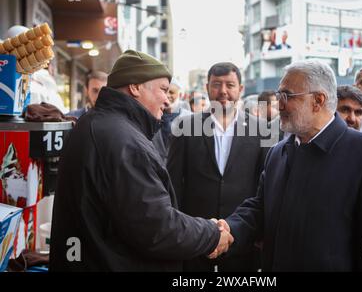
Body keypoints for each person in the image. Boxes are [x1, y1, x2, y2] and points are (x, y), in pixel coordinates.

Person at [49, 50, 233, 271]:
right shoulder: (124, 141)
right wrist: (211, 233)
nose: (167, 100)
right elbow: (157, 228)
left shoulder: (98, 124)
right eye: (163, 90)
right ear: (135, 87)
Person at [214, 60, 362, 271]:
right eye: (278, 96)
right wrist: (228, 229)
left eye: (287, 96)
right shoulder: (278, 153)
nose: (279, 104)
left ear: (318, 100)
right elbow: (260, 209)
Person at [167, 62, 269, 272]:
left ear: (240, 89)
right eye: (216, 85)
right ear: (207, 88)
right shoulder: (185, 128)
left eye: (230, 85)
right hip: (194, 238)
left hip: (241, 240)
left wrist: (259, 233)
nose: (223, 91)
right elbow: (173, 184)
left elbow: (264, 187)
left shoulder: (261, 130)